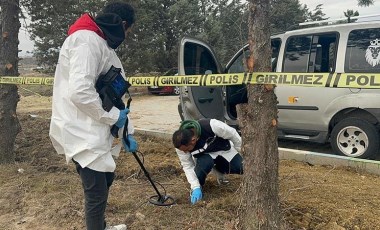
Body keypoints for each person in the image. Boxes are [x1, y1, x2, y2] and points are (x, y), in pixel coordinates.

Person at [49, 2, 137, 230]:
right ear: (123, 24)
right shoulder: (85, 40)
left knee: (106, 178)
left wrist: (125, 128)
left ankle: (101, 226)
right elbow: (80, 92)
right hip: (82, 130)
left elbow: (108, 91)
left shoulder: (98, 42)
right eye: (129, 31)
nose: (126, 36)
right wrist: (113, 118)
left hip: (92, 127)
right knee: (96, 193)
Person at [172, 118, 244, 205]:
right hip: (205, 158)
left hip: (224, 151)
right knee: (206, 163)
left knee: (241, 167)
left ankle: (220, 171)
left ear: (193, 140)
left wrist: (244, 155)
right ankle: (200, 189)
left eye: (187, 150)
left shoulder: (213, 125)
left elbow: (234, 135)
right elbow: (187, 166)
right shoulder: (181, 145)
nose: (185, 152)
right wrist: (195, 187)